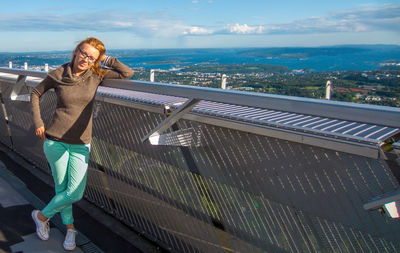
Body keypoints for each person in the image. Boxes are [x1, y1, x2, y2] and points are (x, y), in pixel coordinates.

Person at [30, 37, 134, 251]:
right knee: (62, 189)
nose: (86, 59)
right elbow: (35, 93)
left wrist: (106, 59)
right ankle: (70, 230)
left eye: (91, 57)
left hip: (80, 143)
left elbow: (127, 73)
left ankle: (41, 216)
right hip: (55, 141)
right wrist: (38, 122)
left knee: (74, 192)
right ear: (76, 51)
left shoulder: (96, 75)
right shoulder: (58, 74)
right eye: (83, 53)